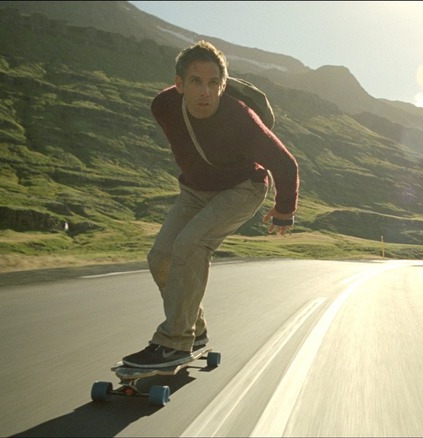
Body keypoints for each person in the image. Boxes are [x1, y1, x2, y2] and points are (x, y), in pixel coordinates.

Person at [122, 41, 299, 368]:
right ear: (179, 84)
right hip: (196, 190)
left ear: (223, 84)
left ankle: (174, 342)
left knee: (190, 245)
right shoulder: (163, 106)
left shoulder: (240, 118)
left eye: (214, 83)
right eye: (195, 81)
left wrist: (284, 212)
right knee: (161, 256)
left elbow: (285, 164)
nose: (205, 91)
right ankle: (195, 330)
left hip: (242, 188)